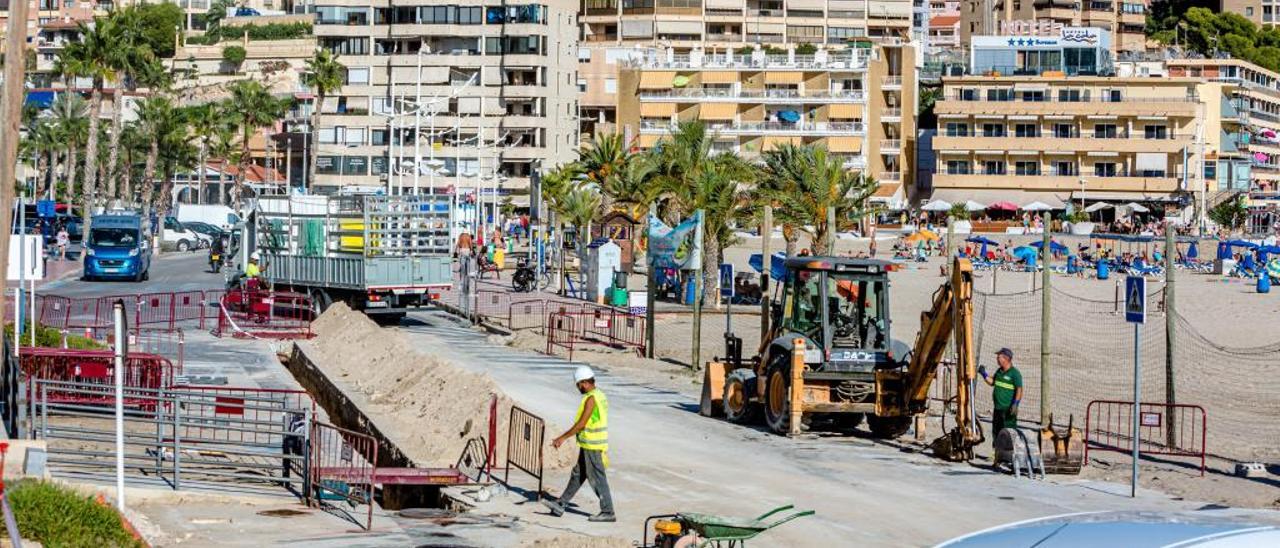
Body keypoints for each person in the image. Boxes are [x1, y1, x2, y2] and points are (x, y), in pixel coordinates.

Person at [543, 366, 615, 522]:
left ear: (584, 382)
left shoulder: (591, 398)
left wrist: (562, 438)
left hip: (593, 446)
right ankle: (561, 504)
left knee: (597, 479)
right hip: (589, 445)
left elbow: (582, 424)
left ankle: (608, 511)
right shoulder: (599, 395)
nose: (578, 388)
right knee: (578, 475)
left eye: (578, 385)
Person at [978, 348, 1023, 441]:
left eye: (999, 357)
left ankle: (1010, 453)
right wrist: (984, 374)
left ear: (1006, 358)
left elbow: (1019, 389)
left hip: (1008, 409)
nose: (997, 359)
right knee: (996, 432)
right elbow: (992, 382)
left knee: (1008, 432)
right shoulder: (999, 371)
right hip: (997, 408)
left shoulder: (1015, 373)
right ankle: (996, 453)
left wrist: (1015, 404)